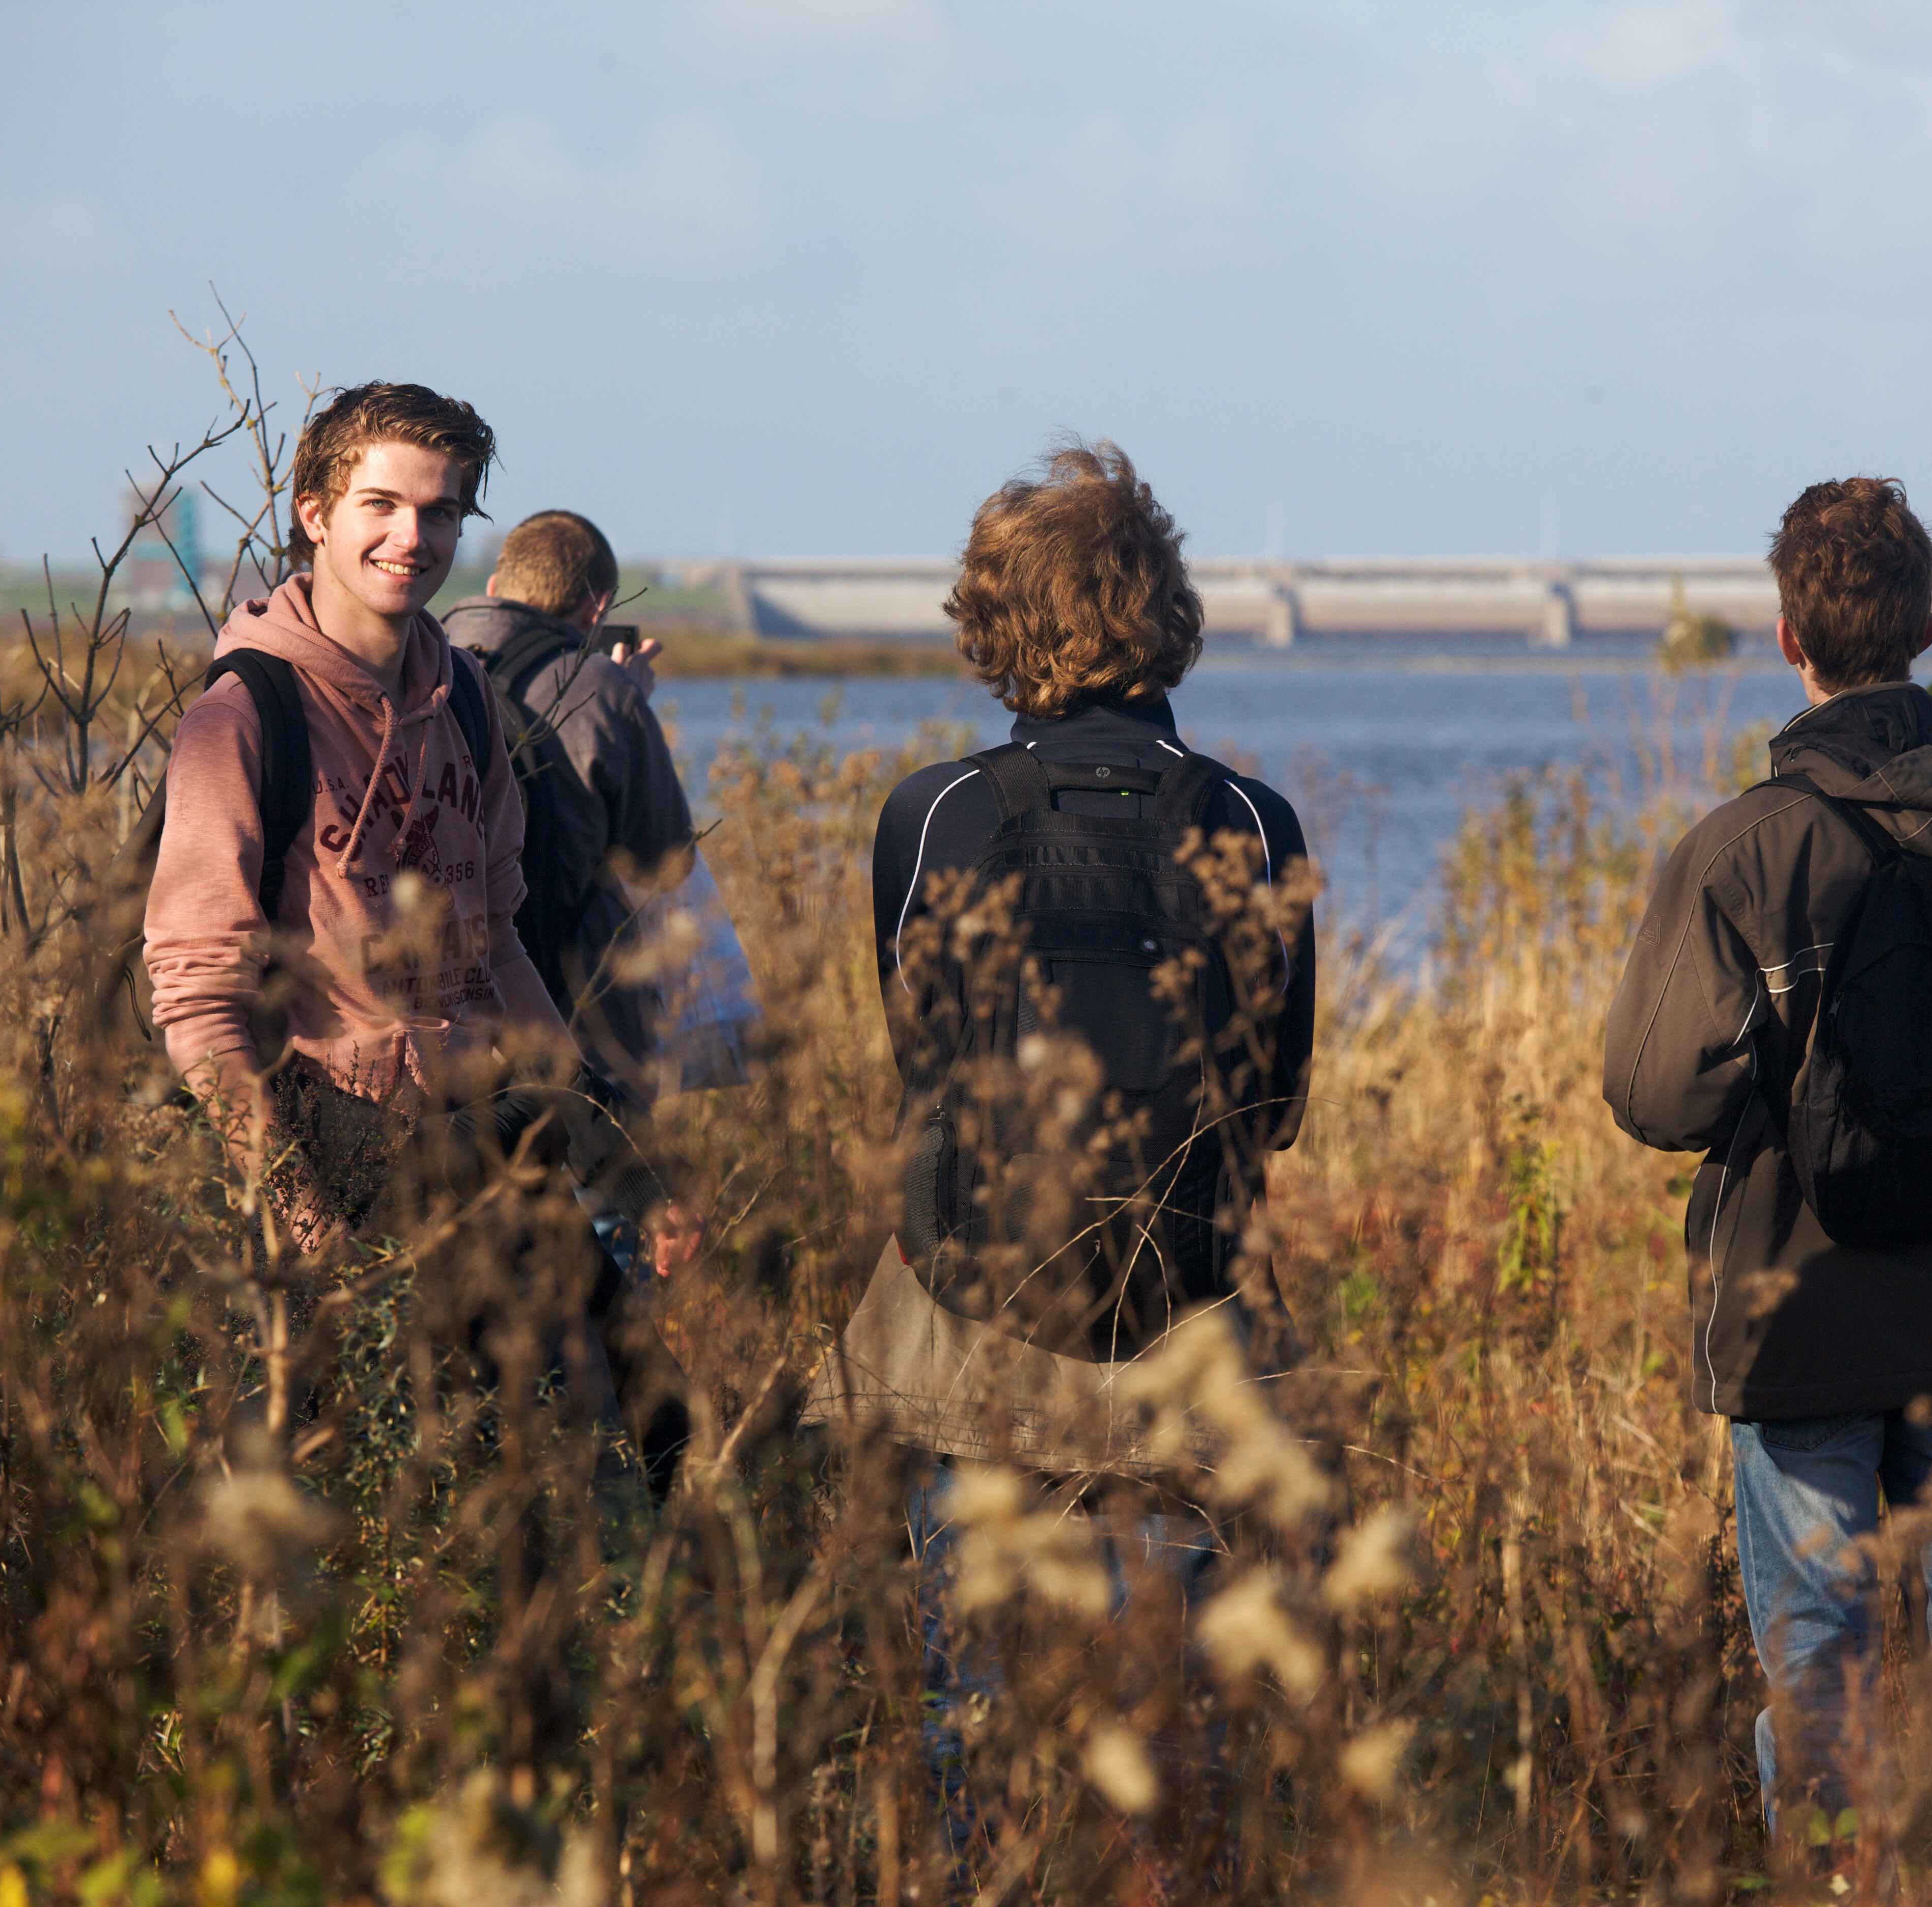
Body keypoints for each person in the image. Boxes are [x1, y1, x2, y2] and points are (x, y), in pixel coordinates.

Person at [1599, 477, 1932, 1900]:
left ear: (1788, 636)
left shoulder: (1743, 848)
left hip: (1800, 1326)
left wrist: (1790, 1084)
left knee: (1819, 1692)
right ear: (1929, 627)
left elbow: (1655, 1098)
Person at [810, 440, 1317, 1864]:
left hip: (982, 1313)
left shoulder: (939, 814)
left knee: (976, 1698)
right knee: (1174, 1710)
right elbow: (1275, 1093)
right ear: (1164, 609)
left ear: (993, 619)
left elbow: (922, 1056)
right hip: (1189, 1318)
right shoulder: (1256, 826)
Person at [143, 383, 690, 1479]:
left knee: (644, 1447)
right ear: (315, 515)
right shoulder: (246, 717)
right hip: (320, 1153)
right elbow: (196, 995)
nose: (412, 537)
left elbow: (498, 952)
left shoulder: (471, 706)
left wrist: (612, 1156)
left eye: (440, 512)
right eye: (380, 505)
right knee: (364, 1516)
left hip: (472, 1145)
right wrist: (298, 1215)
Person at [441, 510, 758, 1111]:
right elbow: (663, 863)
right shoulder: (601, 689)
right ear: (598, 608)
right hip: (581, 1018)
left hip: (449, 1018)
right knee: (611, 1187)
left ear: (491, 590)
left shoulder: (419, 667)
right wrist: (625, 700)